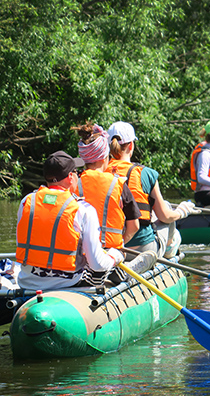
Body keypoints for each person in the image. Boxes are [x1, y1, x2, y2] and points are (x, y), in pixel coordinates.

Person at [14, 151, 125, 290]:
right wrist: (115, 256)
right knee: (105, 264)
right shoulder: (83, 209)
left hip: (27, 283)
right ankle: (125, 273)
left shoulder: (27, 201)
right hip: (68, 285)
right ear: (70, 177)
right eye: (76, 172)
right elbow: (97, 264)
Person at [107, 121, 194, 258]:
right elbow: (165, 216)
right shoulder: (146, 173)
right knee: (167, 208)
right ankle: (169, 252)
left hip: (110, 248)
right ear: (131, 145)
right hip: (142, 248)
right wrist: (182, 212)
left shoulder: (100, 173)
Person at [73, 122, 141, 248]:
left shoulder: (73, 182)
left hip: (79, 251)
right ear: (105, 157)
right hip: (109, 250)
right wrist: (121, 243)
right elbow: (134, 226)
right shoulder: (117, 183)